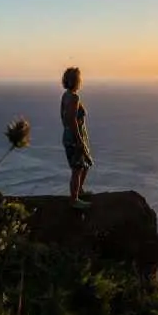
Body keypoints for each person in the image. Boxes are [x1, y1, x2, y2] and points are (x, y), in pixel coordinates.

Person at [60, 67, 94, 209]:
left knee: (85, 164)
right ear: (76, 81)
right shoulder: (74, 97)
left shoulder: (66, 95)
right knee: (77, 168)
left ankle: (79, 191)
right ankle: (74, 199)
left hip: (69, 134)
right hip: (75, 136)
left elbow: (63, 116)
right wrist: (79, 139)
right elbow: (71, 119)